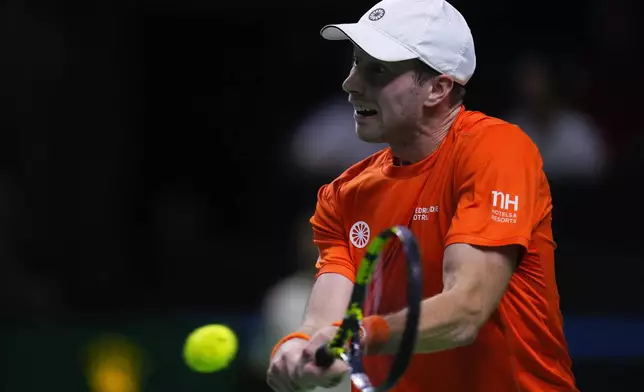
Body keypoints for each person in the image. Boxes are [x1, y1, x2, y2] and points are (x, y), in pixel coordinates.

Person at [267, 0, 578, 391]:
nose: (351, 83)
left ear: (438, 87)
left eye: (377, 69)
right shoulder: (343, 195)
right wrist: (298, 347)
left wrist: (363, 335)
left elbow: (465, 310)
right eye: (355, 63)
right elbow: (324, 320)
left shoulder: (496, 151)